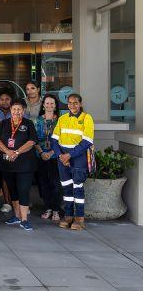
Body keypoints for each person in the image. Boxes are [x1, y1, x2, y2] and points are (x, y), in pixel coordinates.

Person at [52, 93, 95, 230]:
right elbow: (54, 140)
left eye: (75, 103)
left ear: (80, 104)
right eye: (70, 103)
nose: (72, 105)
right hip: (62, 159)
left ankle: (79, 218)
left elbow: (87, 141)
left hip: (78, 158)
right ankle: (68, 216)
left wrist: (69, 155)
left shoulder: (87, 118)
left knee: (78, 189)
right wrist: (60, 156)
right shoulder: (63, 118)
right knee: (66, 188)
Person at [0, 100, 37, 231]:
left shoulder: (28, 123)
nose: (16, 112)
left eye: (19, 109)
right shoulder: (3, 124)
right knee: (13, 191)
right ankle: (17, 216)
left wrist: (17, 152)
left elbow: (31, 141)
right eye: (14, 109)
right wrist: (8, 151)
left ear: (23, 111)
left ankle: (24, 219)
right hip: (8, 164)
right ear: (10, 110)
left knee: (23, 190)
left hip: (25, 164)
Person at [35, 94, 62, 222]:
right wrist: (41, 153)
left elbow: (62, 140)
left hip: (55, 156)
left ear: (56, 106)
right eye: (47, 103)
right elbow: (33, 139)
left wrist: (51, 152)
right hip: (40, 156)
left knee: (56, 184)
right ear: (43, 105)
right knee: (43, 183)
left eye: (52, 103)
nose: (49, 105)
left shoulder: (61, 121)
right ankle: (48, 208)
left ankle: (56, 209)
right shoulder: (37, 120)